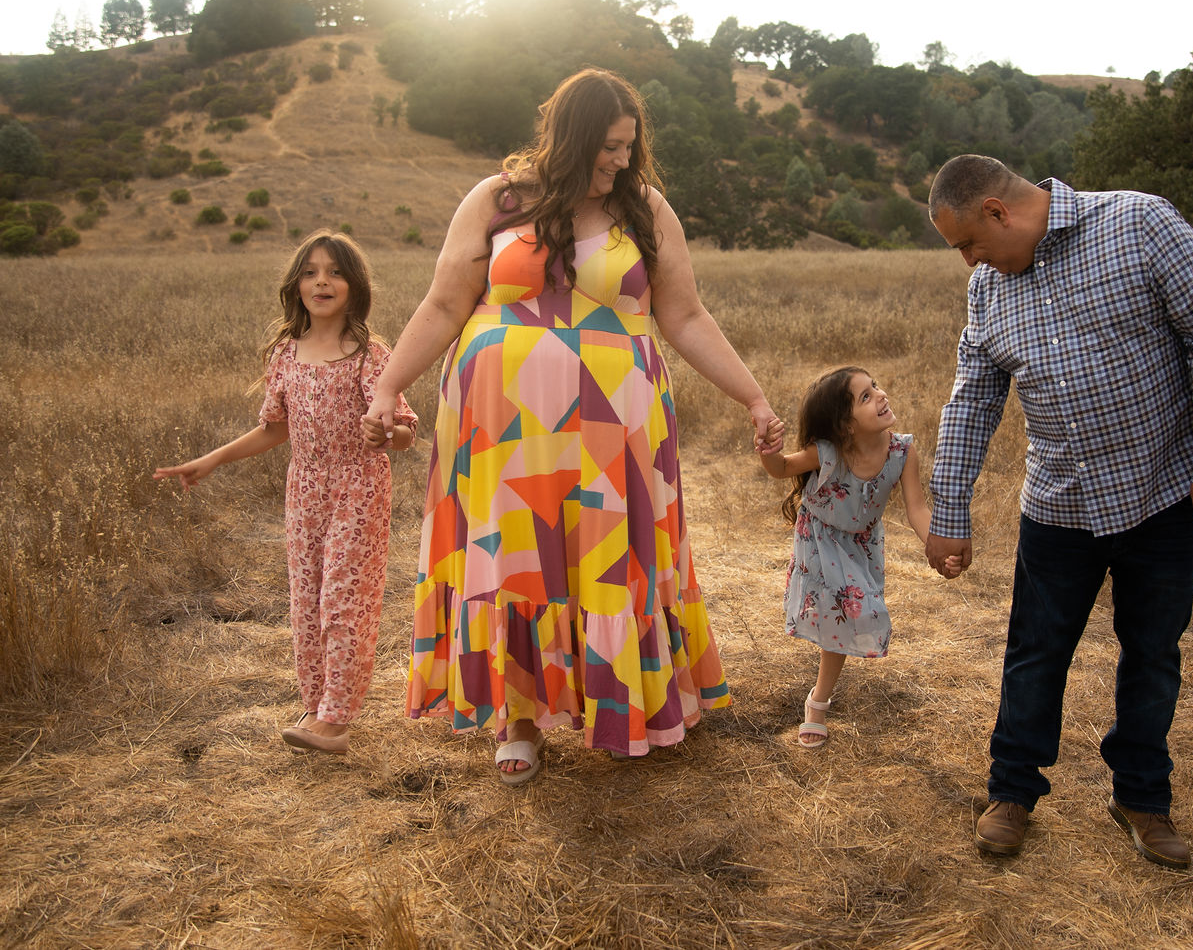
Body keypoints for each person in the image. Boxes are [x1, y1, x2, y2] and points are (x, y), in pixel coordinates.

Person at [362, 68, 783, 785]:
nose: (622, 161)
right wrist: (387, 386)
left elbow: (684, 314)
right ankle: (518, 718)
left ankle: (617, 705)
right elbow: (442, 304)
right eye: (609, 147)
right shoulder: (496, 200)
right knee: (518, 562)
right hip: (502, 431)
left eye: (629, 147)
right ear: (572, 137)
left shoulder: (645, 209)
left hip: (614, 430)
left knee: (611, 562)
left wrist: (755, 398)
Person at [923, 155, 1193, 869]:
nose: (970, 263)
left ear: (997, 212)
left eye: (969, 244)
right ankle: (1012, 791)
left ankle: (1142, 798)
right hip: (1060, 505)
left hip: (1164, 494)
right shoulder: (989, 290)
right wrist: (949, 505)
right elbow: (973, 399)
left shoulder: (1139, 223)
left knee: (1152, 653)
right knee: (1034, 653)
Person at [155, 230, 417, 755]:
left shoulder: (370, 354)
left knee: (346, 597)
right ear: (296, 285)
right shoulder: (284, 353)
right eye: (311, 272)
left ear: (355, 286)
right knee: (307, 599)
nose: (323, 281)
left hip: (357, 486)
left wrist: (385, 432)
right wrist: (212, 459)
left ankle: (337, 719)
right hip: (304, 488)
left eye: (336, 272)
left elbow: (406, 430)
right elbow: (276, 428)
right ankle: (315, 701)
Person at [758, 367, 947, 747]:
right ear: (845, 426)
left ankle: (818, 698)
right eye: (865, 396)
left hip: (861, 544)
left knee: (846, 617)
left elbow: (917, 509)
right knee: (847, 611)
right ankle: (819, 705)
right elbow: (783, 468)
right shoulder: (828, 452)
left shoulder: (902, 452)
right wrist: (768, 451)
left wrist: (937, 547)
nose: (879, 394)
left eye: (875, 386)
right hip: (821, 537)